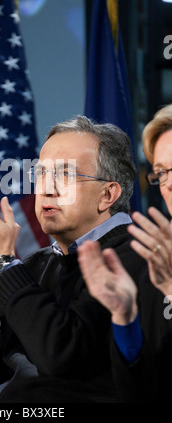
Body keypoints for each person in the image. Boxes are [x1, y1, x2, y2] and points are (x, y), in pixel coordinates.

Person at [0, 115, 149, 403]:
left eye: (65, 175)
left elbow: (62, 355)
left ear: (107, 194)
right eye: (41, 174)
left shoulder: (138, 255)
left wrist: (1, 264)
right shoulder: (34, 265)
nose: (47, 188)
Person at [78, 104, 172, 402]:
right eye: (161, 173)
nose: (168, 184)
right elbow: (139, 391)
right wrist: (124, 317)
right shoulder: (151, 261)